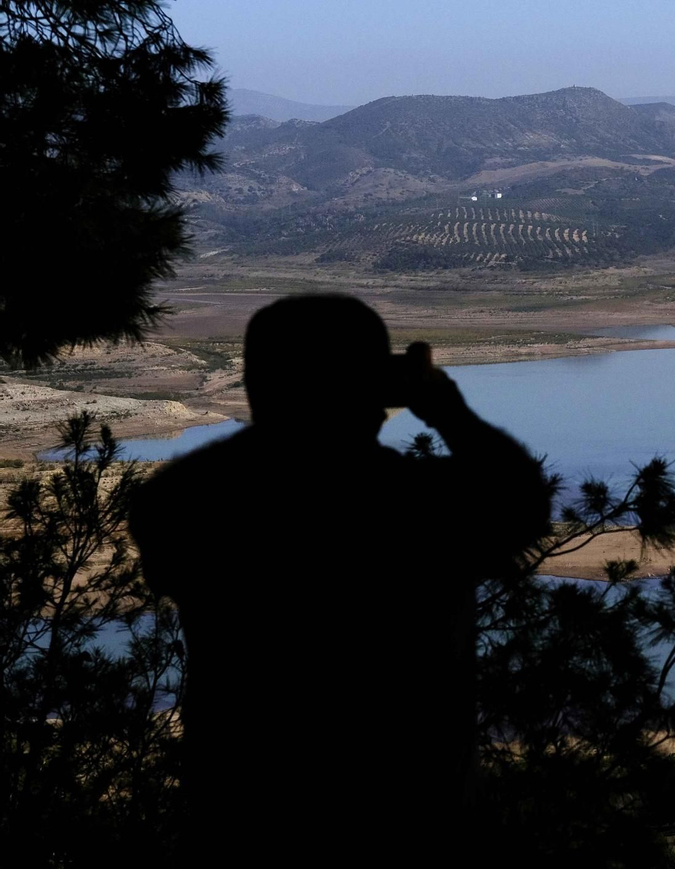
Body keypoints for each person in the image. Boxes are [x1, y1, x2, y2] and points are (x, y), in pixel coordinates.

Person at [129, 295, 552, 861]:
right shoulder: (422, 508)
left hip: (246, 821)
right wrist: (446, 409)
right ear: (378, 388)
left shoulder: (185, 506)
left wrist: (284, 421)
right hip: (413, 822)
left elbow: (178, 511)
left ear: (258, 384)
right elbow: (523, 503)